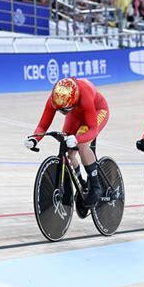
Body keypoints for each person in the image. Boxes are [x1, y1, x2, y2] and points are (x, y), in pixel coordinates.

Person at [24, 77, 110, 208]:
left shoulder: (84, 95)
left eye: (65, 110)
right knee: (68, 150)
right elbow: (42, 126)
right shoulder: (57, 98)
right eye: (60, 110)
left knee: (81, 145)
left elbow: (93, 129)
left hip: (97, 110)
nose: (62, 112)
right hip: (75, 113)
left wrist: (78, 139)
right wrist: (34, 139)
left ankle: (95, 185)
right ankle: (81, 183)